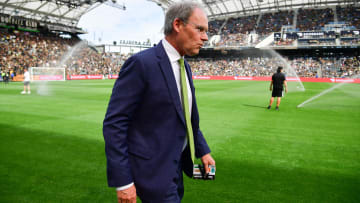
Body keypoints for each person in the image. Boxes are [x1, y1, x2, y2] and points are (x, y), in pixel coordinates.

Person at [103, 2, 215, 203]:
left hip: (176, 168)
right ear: (178, 25)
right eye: (200, 29)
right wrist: (123, 182)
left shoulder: (185, 67)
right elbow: (114, 124)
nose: (205, 37)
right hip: (151, 171)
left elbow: (185, 118)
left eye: (206, 31)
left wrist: (203, 150)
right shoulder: (142, 64)